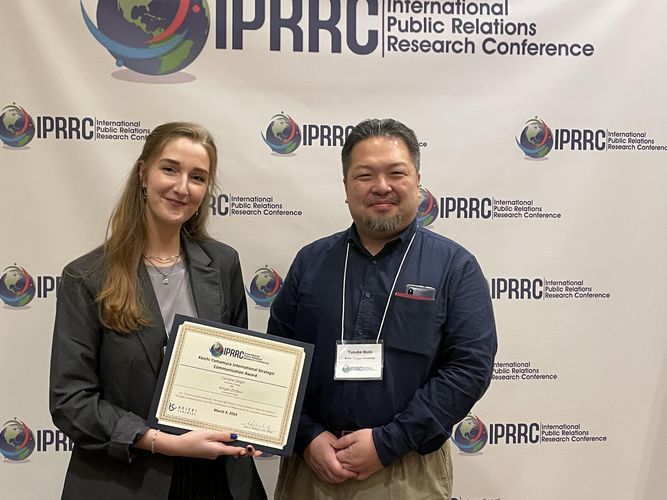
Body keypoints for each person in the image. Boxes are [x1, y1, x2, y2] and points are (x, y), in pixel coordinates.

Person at [267, 118, 497, 499]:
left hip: (404, 471)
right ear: (345, 187)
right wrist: (307, 436)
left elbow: (469, 368)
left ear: (418, 181)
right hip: (312, 468)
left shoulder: (455, 267)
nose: (381, 187)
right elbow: (278, 359)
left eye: (396, 173)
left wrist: (388, 443)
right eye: (364, 175)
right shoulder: (311, 262)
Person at [49, 122, 267, 500]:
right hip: (126, 478)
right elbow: (71, 400)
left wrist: (252, 422)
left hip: (216, 480)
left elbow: (236, 372)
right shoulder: (87, 277)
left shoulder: (223, 263)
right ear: (143, 174)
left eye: (198, 177)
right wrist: (160, 441)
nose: (183, 187)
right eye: (170, 169)